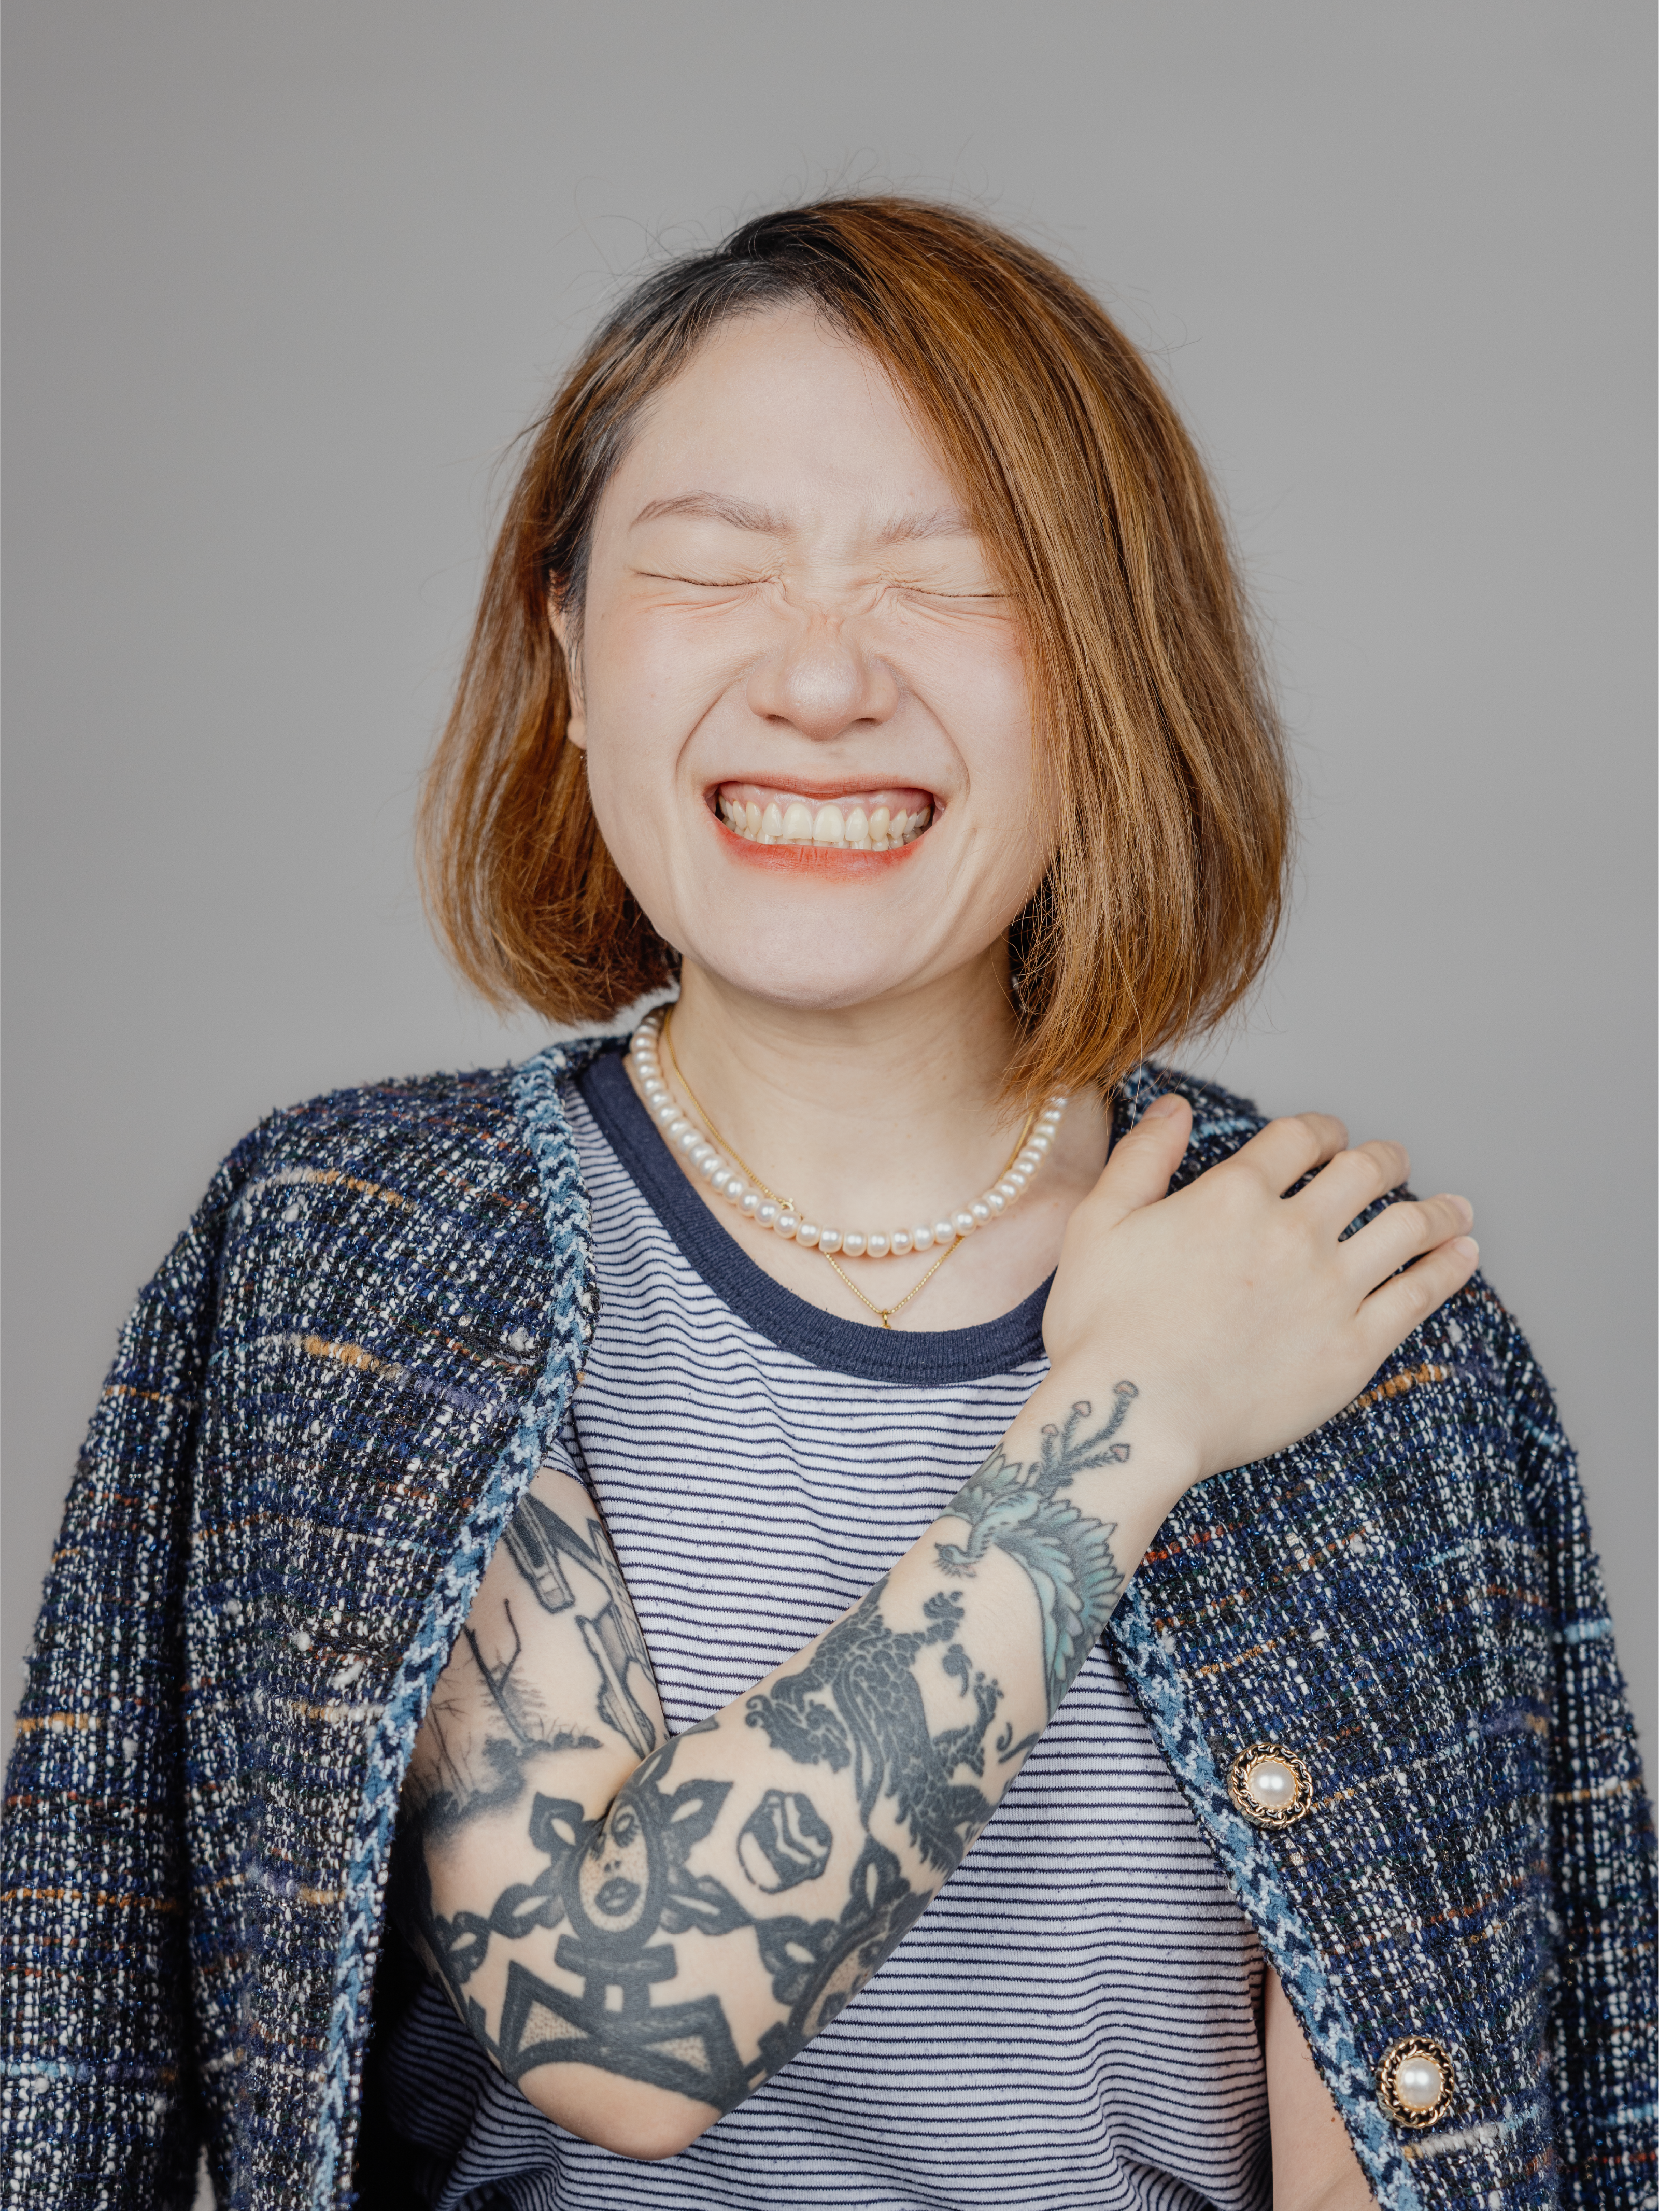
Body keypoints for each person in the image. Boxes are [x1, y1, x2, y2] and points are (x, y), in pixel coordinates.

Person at [0, 200, 1652, 2212]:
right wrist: (1124, 1413)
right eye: (706, 566)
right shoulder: (360, 1259)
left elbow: (1427, 2156)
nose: (814, 676)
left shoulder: (1340, 1310)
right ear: (568, 644)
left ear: (1107, 672)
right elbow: (616, 2017)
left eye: (952, 586)